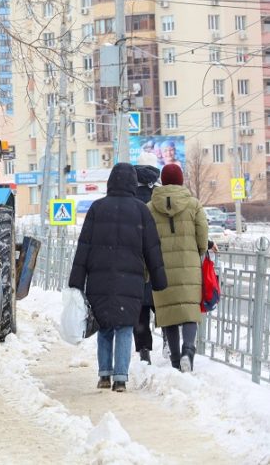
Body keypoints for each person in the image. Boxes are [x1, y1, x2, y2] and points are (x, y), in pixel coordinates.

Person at [69, 162, 167, 392]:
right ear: (133, 183)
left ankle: (104, 374)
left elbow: (84, 247)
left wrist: (76, 281)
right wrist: (159, 280)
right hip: (130, 279)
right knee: (124, 327)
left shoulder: (97, 208)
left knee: (104, 326)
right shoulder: (141, 210)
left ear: (110, 181)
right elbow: (152, 248)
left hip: (99, 279)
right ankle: (120, 378)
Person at [147, 163, 209, 373]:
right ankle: (188, 350)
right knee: (190, 310)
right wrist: (200, 250)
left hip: (160, 268)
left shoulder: (150, 207)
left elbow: (145, 238)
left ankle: (175, 359)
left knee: (169, 313)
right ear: (181, 180)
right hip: (188, 265)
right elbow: (202, 234)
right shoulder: (193, 204)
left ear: (162, 181)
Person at [132, 157, 161, 364]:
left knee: (140, 307)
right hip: (159, 256)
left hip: (134, 259)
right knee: (162, 304)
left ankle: (144, 351)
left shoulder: (129, 195)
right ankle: (170, 343)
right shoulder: (158, 195)